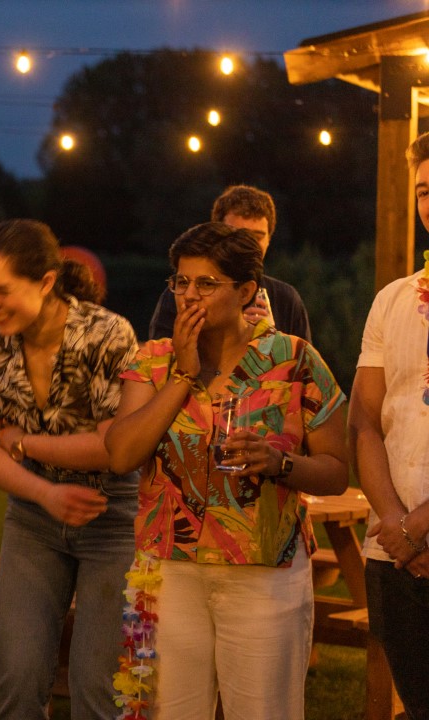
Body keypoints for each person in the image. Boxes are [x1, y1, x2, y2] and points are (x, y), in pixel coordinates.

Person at [105, 222, 348, 719]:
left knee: (263, 710)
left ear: (246, 291)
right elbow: (121, 453)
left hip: (263, 571)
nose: (188, 295)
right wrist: (183, 375)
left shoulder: (294, 360)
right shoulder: (152, 362)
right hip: (171, 568)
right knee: (173, 711)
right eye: (180, 282)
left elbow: (336, 471)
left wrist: (280, 463)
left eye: (206, 283)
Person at [0, 219, 139, 719]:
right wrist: (44, 494)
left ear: (45, 281)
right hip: (33, 518)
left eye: (2, 291)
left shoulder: (107, 334)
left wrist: (25, 444)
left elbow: (112, 448)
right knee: (16, 679)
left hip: (112, 518)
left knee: (97, 687)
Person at [348, 131, 429, 719]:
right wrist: (399, 524)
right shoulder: (393, 299)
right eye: (424, 191)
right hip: (395, 549)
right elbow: (363, 423)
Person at [148, 184, 312, 342]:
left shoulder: (286, 299)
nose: (248, 244)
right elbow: (160, 359)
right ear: (216, 235)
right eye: (237, 234)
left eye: (258, 236)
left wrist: (272, 343)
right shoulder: (183, 295)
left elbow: (302, 367)